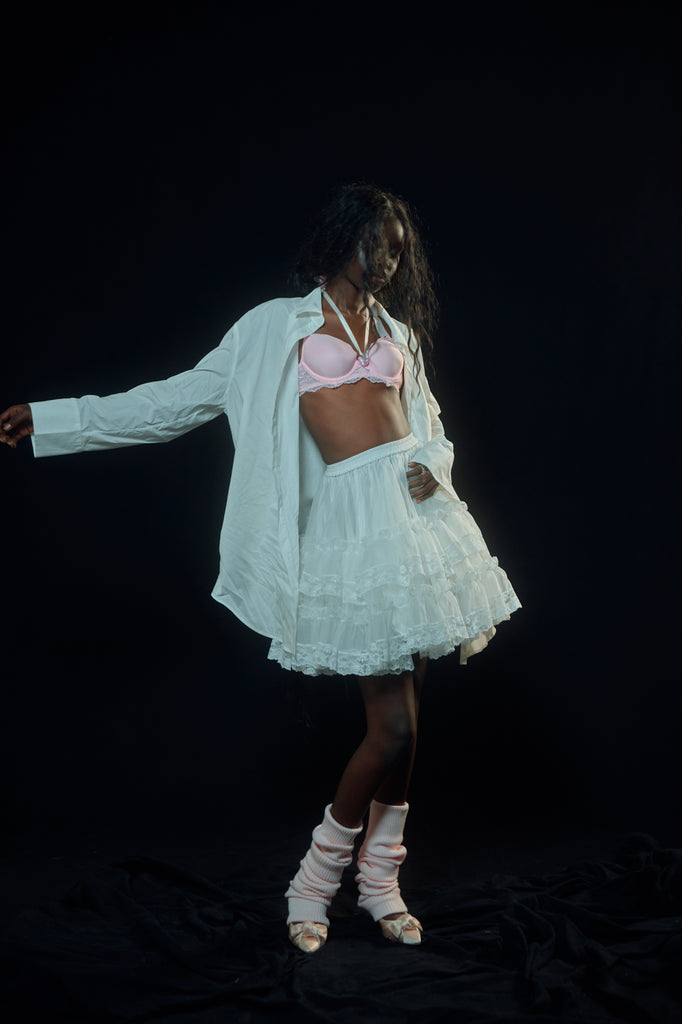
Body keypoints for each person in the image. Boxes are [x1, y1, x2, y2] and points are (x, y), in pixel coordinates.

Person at [1, 183, 521, 953]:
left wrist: (431, 468)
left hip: (415, 525)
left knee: (407, 726)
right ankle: (312, 884)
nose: (385, 262)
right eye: (374, 245)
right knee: (394, 726)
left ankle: (381, 884)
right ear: (340, 239)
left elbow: (430, 428)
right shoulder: (272, 328)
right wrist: (56, 419)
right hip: (351, 530)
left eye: (396, 251)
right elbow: (173, 403)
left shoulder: (398, 333)